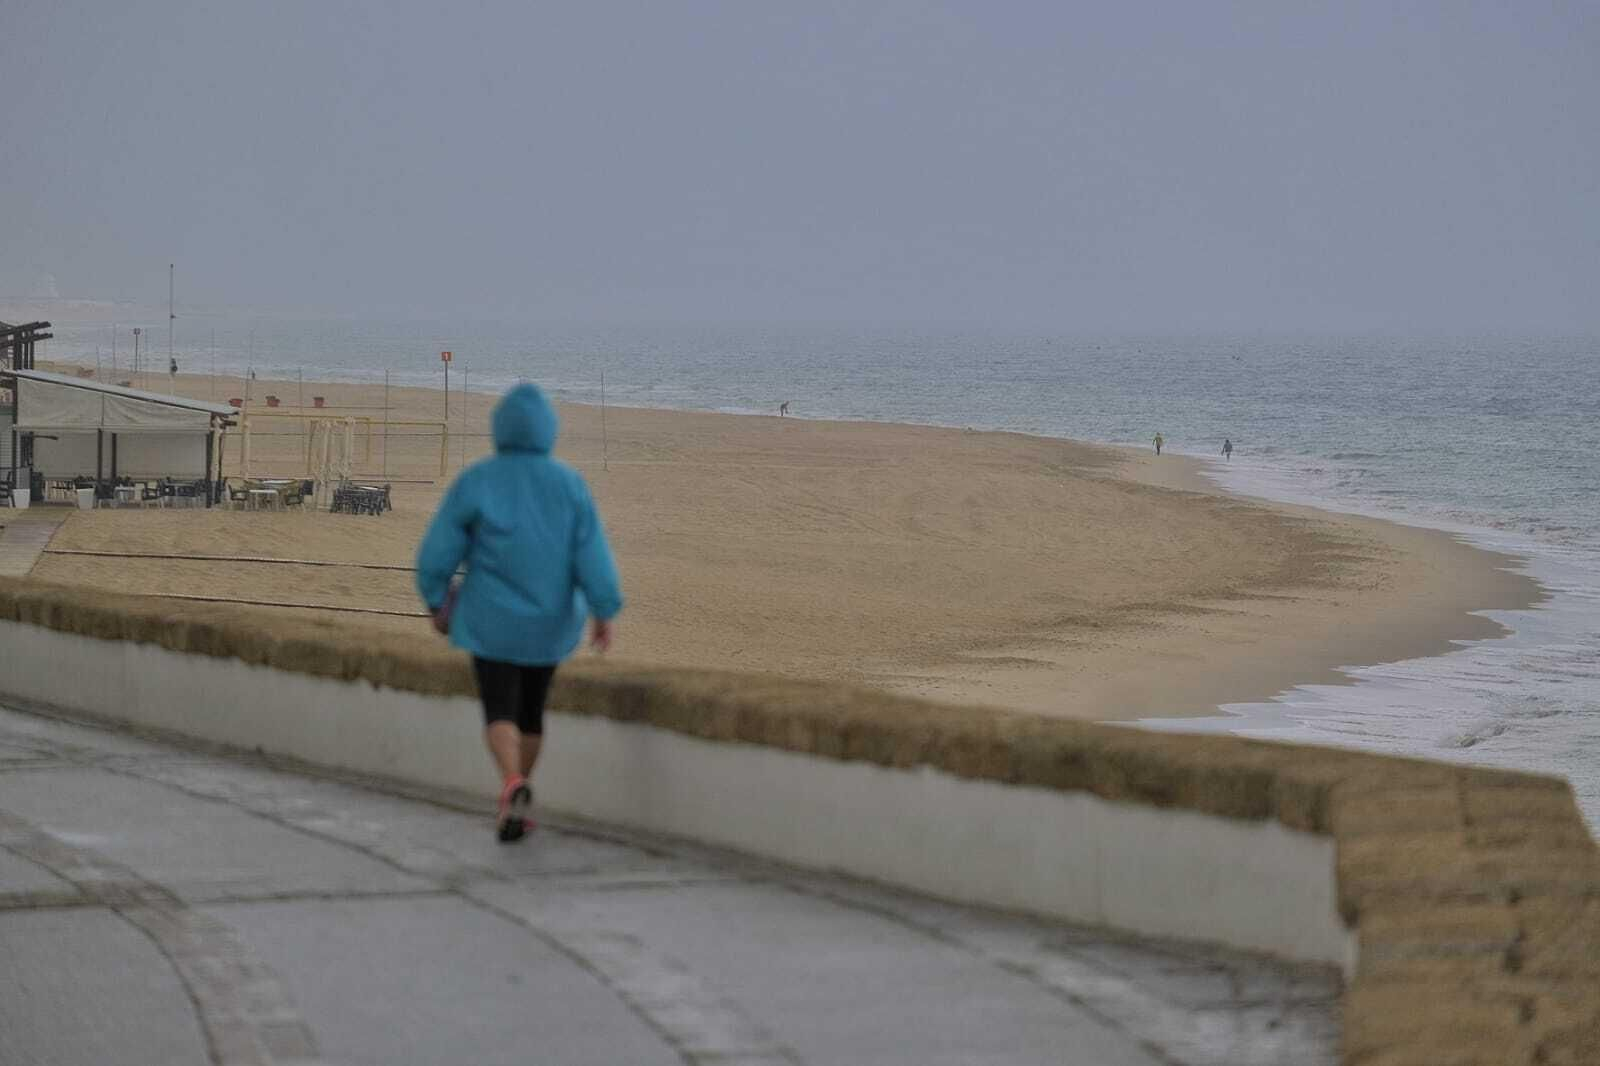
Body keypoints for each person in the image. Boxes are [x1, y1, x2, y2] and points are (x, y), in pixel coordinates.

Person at [416, 383, 623, 843]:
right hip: (550, 625)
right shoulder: (569, 484)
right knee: (531, 710)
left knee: (498, 707)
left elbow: (438, 552)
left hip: (489, 622)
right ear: (549, 428)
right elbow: (592, 555)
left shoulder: (478, 480)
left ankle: (510, 781)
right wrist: (603, 611)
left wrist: (436, 599)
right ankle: (519, 789)